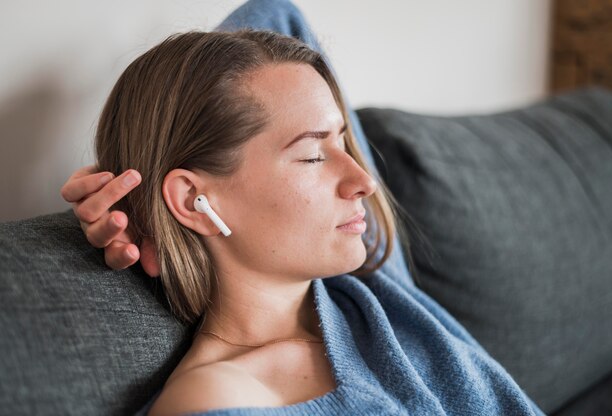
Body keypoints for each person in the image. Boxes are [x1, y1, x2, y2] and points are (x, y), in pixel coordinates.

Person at [61, 1, 546, 415]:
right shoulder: (218, 396)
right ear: (193, 200)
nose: (364, 181)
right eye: (313, 155)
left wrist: (131, 179)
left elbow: (276, 13)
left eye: (343, 142)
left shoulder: (371, 291)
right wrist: (145, 190)